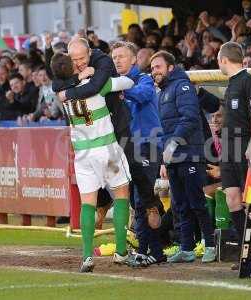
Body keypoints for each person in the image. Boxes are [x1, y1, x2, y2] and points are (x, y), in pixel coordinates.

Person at [50, 52, 133, 273]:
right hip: (106, 149)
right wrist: (97, 73)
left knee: (88, 203)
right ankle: (122, 252)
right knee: (122, 195)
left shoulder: (62, 95)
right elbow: (128, 81)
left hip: (82, 154)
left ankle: (87, 256)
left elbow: (62, 86)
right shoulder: (97, 85)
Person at [151, 50, 216, 263]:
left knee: (196, 202)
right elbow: (164, 128)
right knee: (179, 205)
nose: (154, 72)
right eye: (152, 69)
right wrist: (164, 157)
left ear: (170, 67)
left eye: (158, 67)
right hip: (173, 156)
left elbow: (189, 119)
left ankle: (210, 245)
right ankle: (186, 248)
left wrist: (173, 143)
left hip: (190, 154)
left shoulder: (183, 86)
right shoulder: (162, 92)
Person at [111, 41, 165, 266]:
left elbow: (142, 95)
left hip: (148, 145)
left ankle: (146, 250)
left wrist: (120, 89)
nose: (117, 60)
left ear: (133, 59)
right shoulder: (116, 85)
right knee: (135, 200)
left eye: (121, 56)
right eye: (114, 57)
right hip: (128, 148)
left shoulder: (143, 80)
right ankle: (155, 249)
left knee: (141, 200)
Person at [216, 41, 251, 251]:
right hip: (227, 147)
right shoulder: (231, 83)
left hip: (243, 144)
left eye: (218, 60)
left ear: (224, 60)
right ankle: (246, 250)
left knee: (250, 198)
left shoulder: (248, 81)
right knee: (232, 198)